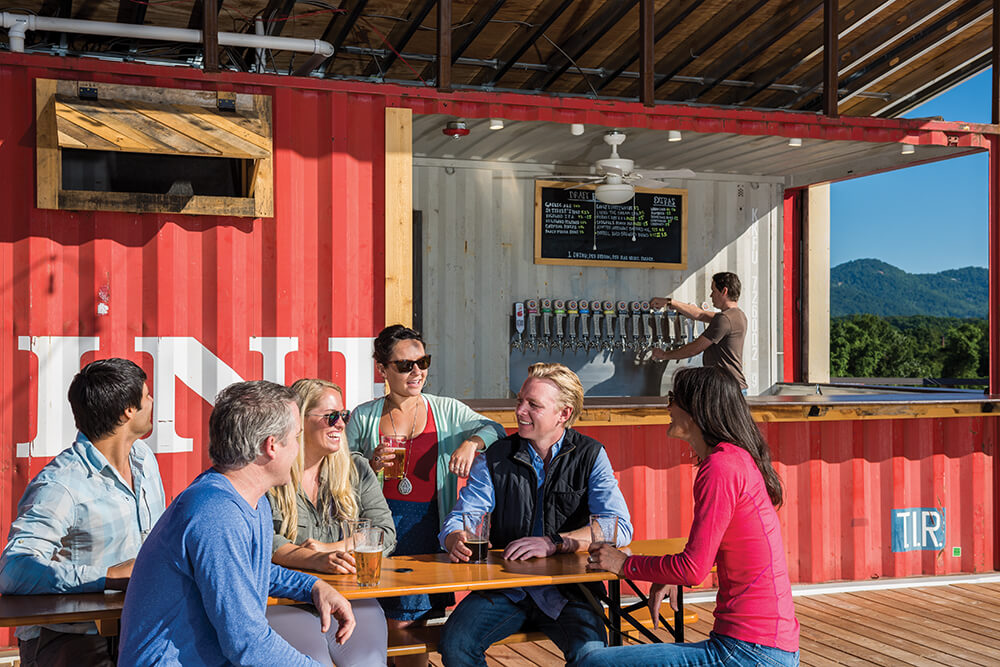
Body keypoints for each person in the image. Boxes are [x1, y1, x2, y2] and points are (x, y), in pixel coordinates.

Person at [118, 381, 356, 666]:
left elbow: (249, 570)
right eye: (296, 437)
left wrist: (313, 586)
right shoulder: (217, 513)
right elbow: (247, 644)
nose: (298, 447)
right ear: (271, 446)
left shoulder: (250, 500)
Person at [580, 366, 799, 667]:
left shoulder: (720, 468)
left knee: (592, 663)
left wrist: (623, 563)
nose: (667, 407)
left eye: (672, 398)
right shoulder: (736, 459)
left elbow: (693, 571)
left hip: (748, 652)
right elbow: (713, 551)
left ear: (697, 410)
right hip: (768, 646)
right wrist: (667, 574)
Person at [436, 362, 633, 667]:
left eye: (533, 405)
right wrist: (454, 537)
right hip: (505, 588)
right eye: (519, 400)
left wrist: (555, 542)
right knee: (455, 644)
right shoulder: (495, 457)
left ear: (563, 414)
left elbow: (617, 526)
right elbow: (464, 515)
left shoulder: (591, 454)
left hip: (572, 590)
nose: (520, 411)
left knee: (592, 658)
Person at [347, 324, 506, 665]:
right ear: (383, 369)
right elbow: (337, 468)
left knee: (412, 626)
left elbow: (494, 428)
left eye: (423, 362)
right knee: (382, 623)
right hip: (378, 528)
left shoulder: (446, 409)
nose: (417, 371)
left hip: (428, 526)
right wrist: (369, 462)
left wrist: (471, 443)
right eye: (405, 365)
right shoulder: (364, 415)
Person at [0, 357, 165, 667]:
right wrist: (107, 576)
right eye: (146, 395)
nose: (152, 401)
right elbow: (13, 572)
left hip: (136, 632)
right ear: (128, 410)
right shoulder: (61, 484)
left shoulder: (144, 459)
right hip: (70, 642)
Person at [266, 378, 394, 666]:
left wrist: (330, 549)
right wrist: (314, 561)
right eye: (330, 417)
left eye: (343, 416)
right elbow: (265, 541)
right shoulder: (272, 472)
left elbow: (384, 533)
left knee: (369, 662)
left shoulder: (357, 468)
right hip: (286, 598)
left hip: (351, 594)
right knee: (314, 662)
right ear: (298, 421)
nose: (340, 424)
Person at [651, 271, 748, 390]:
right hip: (732, 386)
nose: (711, 295)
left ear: (724, 291)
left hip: (726, 389)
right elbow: (700, 315)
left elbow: (695, 349)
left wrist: (664, 355)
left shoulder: (724, 319)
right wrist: (670, 302)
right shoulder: (737, 315)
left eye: (714, 291)